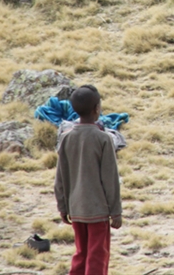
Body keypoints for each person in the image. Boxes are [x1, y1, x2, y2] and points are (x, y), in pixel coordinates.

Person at [54, 85, 122, 275]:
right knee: (97, 256)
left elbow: (60, 178)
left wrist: (63, 207)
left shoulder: (66, 138)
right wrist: (116, 211)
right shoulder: (103, 139)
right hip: (97, 210)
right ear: (97, 109)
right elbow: (111, 180)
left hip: (76, 209)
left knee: (81, 252)